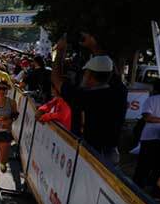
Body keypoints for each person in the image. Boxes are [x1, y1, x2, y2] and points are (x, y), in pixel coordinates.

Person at [51, 36, 127, 164]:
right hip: (111, 153)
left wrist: (59, 52)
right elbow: (110, 70)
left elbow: (56, 80)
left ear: (90, 75)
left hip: (91, 156)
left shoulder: (86, 97)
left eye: (86, 72)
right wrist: (95, 47)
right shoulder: (120, 91)